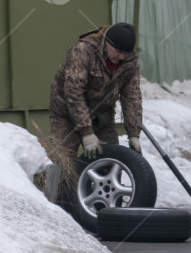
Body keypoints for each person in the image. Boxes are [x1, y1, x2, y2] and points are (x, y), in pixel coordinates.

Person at [47, 22, 143, 207]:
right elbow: (73, 93)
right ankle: (57, 208)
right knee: (63, 162)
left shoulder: (129, 60)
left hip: (102, 115)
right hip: (66, 112)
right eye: (119, 52)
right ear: (107, 43)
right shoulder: (83, 51)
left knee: (112, 162)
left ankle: (106, 211)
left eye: (126, 53)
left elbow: (132, 96)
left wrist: (134, 133)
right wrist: (86, 132)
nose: (122, 57)